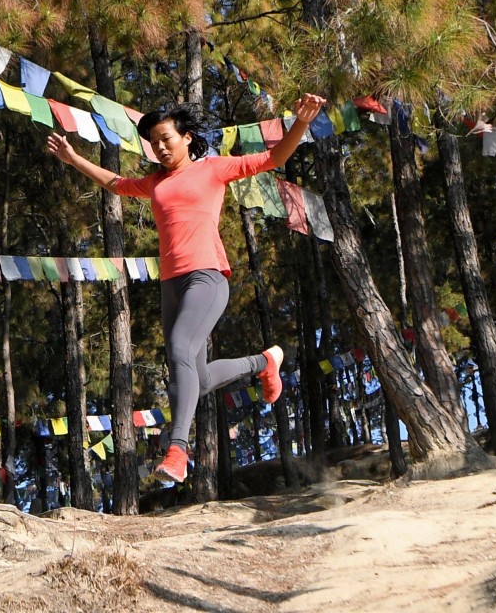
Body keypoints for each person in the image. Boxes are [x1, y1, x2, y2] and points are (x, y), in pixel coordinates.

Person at [46, 93, 327, 483]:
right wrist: (73, 158)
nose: (160, 147)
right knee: (196, 377)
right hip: (172, 284)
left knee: (179, 349)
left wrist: (300, 123)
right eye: (154, 142)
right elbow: (116, 183)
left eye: (167, 139)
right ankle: (264, 362)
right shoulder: (155, 182)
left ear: (187, 138)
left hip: (207, 277)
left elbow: (274, 159)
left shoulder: (213, 169)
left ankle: (177, 451)